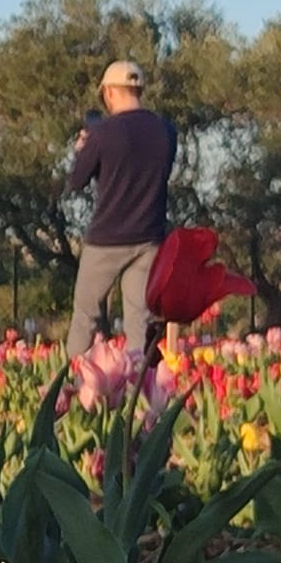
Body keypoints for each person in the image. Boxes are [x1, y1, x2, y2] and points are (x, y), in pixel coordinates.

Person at [63, 60, 177, 359]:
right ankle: (141, 395)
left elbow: (76, 182)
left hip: (107, 239)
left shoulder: (103, 133)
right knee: (139, 322)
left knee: (85, 317)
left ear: (110, 92)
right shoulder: (167, 131)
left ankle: (70, 388)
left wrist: (82, 150)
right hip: (149, 237)